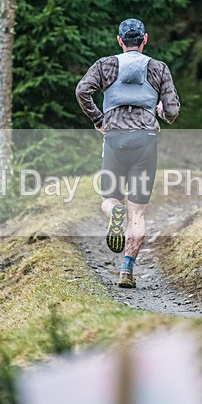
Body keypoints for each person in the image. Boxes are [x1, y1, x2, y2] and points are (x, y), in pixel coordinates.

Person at [75, 18, 180, 288]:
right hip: (145, 141)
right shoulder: (158, 68)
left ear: (120, 41)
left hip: (114, 139)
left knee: (109, 198)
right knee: (139, 214)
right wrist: (159, 111)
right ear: (145, 39)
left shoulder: (105, 65)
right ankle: (126, 270)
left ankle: (114, 212)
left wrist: (99, 119)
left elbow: (82, 91)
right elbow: (172, 112)